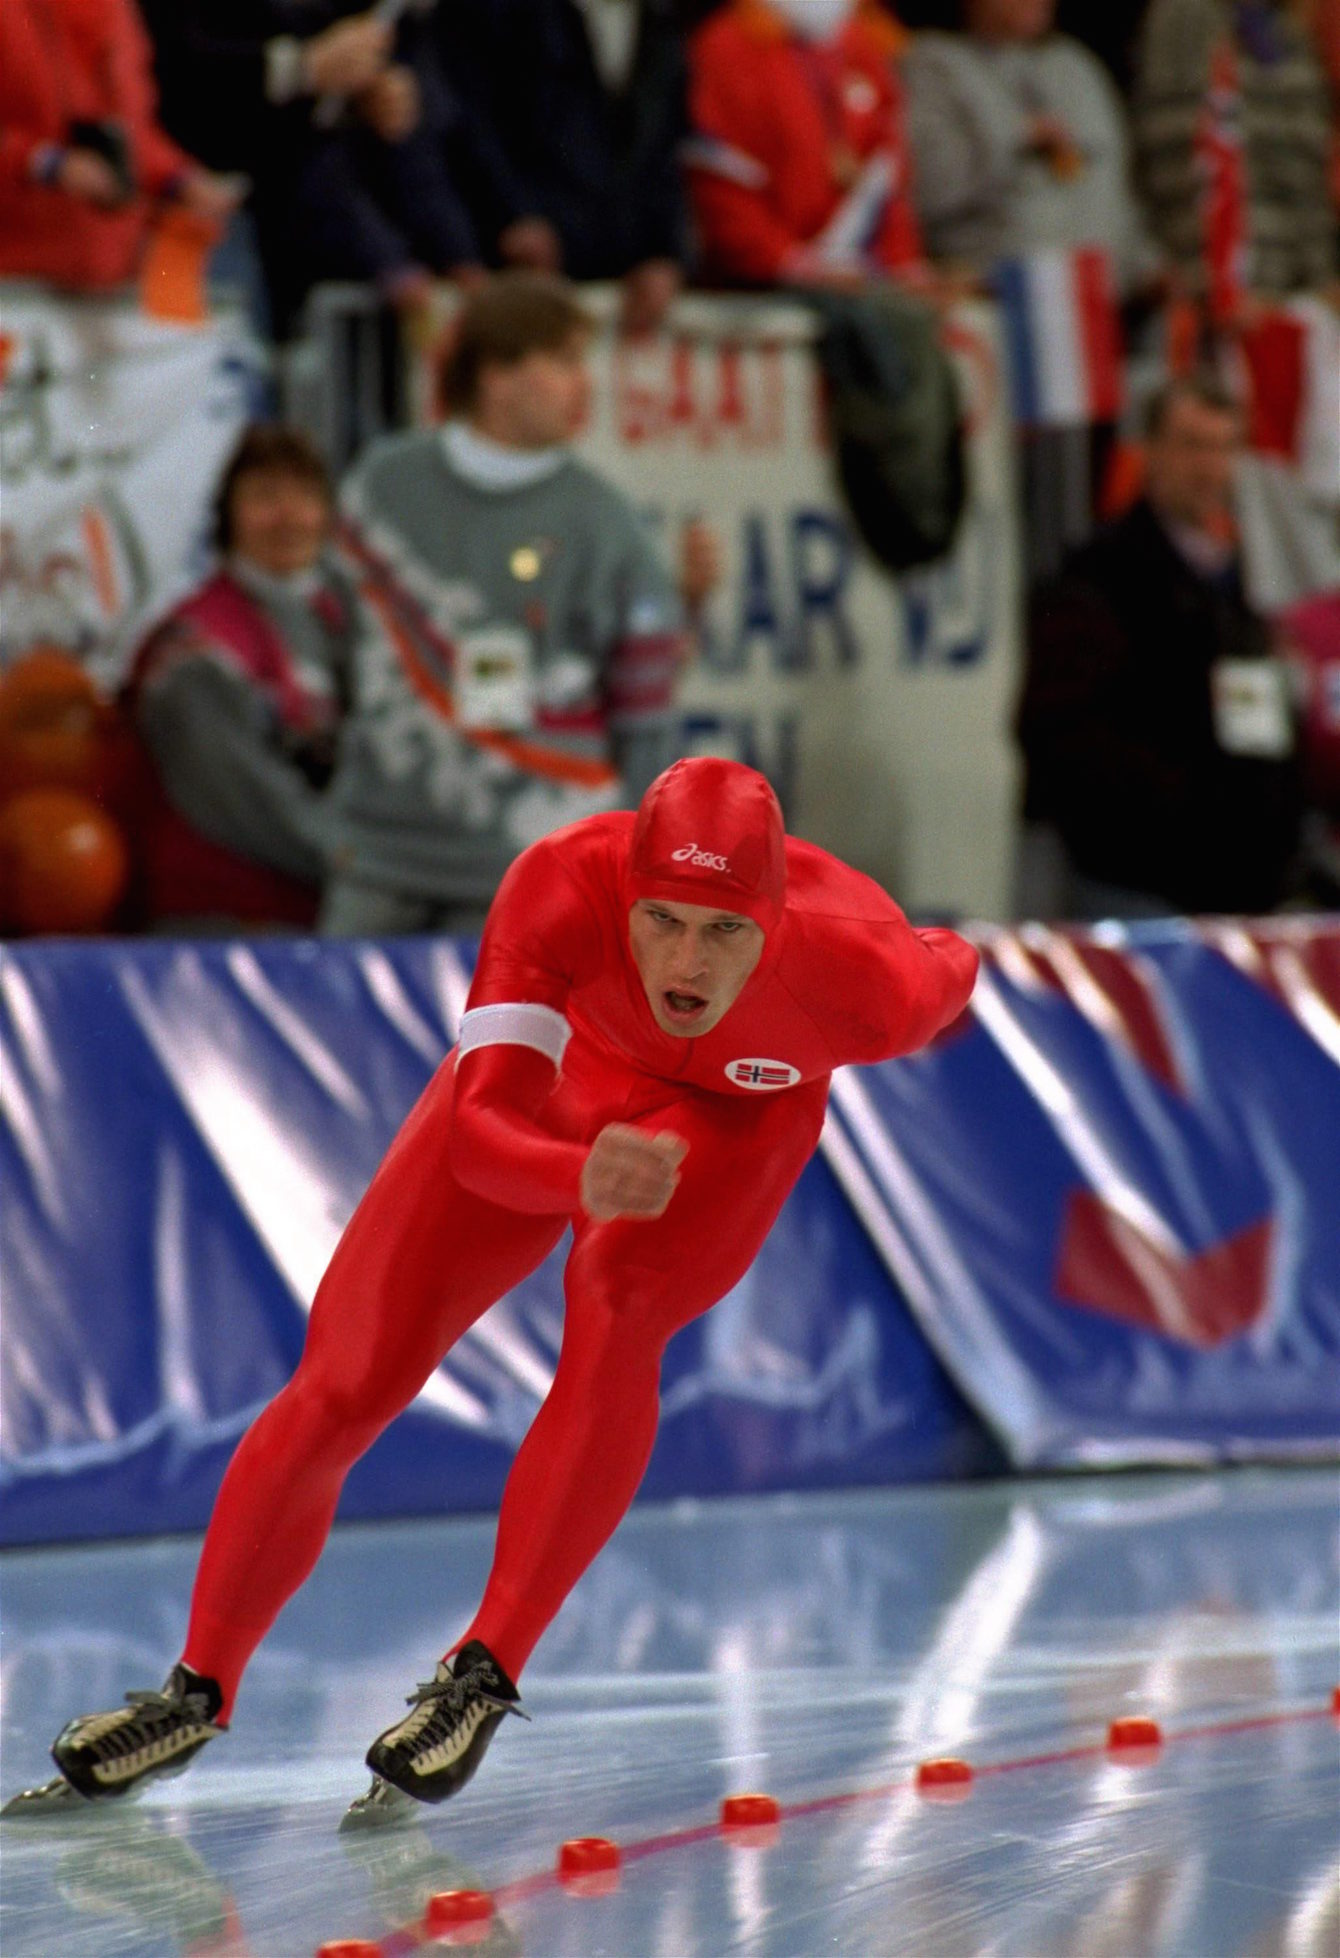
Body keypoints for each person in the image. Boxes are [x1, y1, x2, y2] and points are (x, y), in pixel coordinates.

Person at [4, 756, 979, 1822]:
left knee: (617, 1299)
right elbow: (479, 1135)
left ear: (776, 919)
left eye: (724, 931)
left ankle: (481, 1670)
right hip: (556, 1105)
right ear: (625, 894)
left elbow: (955, 963)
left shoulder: (867, 977)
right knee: (344, 1377)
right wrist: (578, 1170)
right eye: (659, 920)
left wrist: (617, 1178)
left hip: (728, 1124)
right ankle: (194, 1687)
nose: (685, 962)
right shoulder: (559, 884)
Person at [323, 272, 715, 934]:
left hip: (534, 871)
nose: (583, 385)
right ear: (494, 376)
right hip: (378, 856)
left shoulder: (605, 524)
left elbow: (645, 711)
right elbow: (325, 640)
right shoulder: (380, 491)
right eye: (562, 362)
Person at [1016, 374, 1303, 917]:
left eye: (1223, 447)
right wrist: (1187, 810)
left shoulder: (1235, 581)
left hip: (1239, 889)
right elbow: (1061, 737)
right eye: (1193, 445)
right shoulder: (1097, 576)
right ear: (1149, 451)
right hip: (1137, 887)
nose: (1209, 467)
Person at [131, 425, 354, 929]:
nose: (288, 517)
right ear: (227, 515)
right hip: (225, 935)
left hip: (329, 920)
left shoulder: (348, 625)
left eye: (305, 496)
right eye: (264, 496)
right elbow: (246, 800)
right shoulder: (191, 647)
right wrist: (368, 865)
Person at [436, 0, 691, 335]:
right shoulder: (505, 14)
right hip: (512, 277)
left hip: (621, 290)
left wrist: (665, 252)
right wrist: (512, 216)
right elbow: (470, 123)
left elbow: (665, 150)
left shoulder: (662, 24)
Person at [903, 0, 1159, 298]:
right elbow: (928, 194)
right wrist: (1015, 137)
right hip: (1000, 301)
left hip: (1107, 300)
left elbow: (1118, 183)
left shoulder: (1075, 64)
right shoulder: (931, 65)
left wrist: (1146, 260)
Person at [0, 0, 242, 292]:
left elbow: (133, 128)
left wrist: (178, 179)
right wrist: (42, 162)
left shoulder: (116, 10)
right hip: (17, 279)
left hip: (106, 275)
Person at [685, 0, 928, 290]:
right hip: (763, 281)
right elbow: (719, 173)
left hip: (859, 269)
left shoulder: (863, 40)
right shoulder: (730, 45)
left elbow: (888, 170)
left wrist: (903, 264)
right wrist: (788, 261)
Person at [1133, 0, 1336, 317]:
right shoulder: (1184, 15)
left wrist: (1322, 276)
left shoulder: (1283, 27)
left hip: (1295, 294)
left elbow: (1306, 166)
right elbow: (1183, 155)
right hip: (1227, 298)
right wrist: (1216, 283)